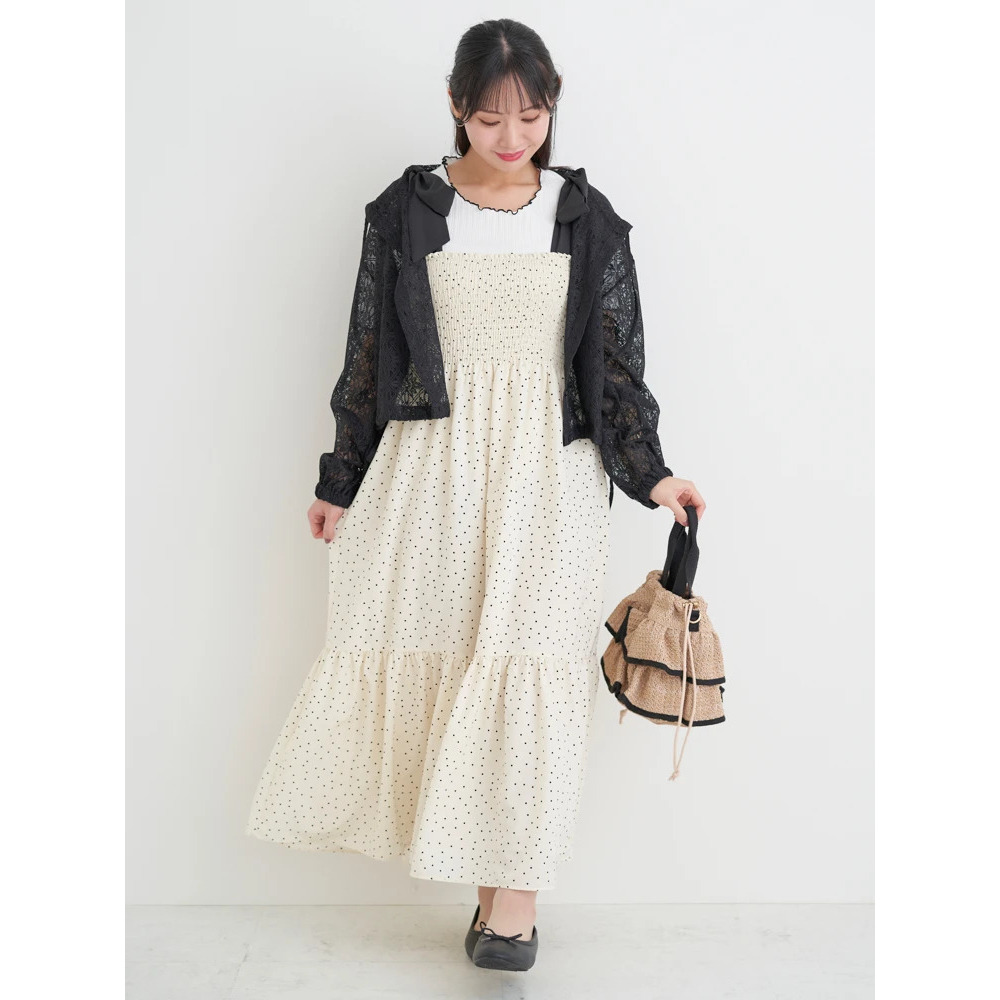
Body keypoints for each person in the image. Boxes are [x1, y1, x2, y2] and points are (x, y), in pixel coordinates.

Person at [245, 18, 706, 972]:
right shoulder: (405, 211)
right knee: (455, 655)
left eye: (531, 117)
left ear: (553, 106)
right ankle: (491, 894)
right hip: (431, 465)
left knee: (531, 662)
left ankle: (513, 908)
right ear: (456, 107)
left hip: (553, 470)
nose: (512, 136)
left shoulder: (587, 217)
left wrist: (652, 471)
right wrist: (340, 478)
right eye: (491, 118)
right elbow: (370, 353)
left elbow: (615, 365)